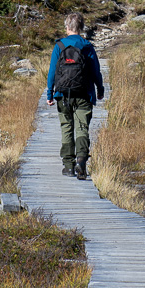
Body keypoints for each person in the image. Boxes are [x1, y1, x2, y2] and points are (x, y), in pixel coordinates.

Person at [46, 12, 104, 179]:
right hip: (84, 93)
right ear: (82, 28)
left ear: (67, 27)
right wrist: (100, 89)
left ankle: (68, 166)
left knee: (66, 128)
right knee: (82, 128)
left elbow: (52, 73)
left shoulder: (59, 46)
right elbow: (95, 72)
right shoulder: (87, 46)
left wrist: (50, 93)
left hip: (63, 94)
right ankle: (81, 161)